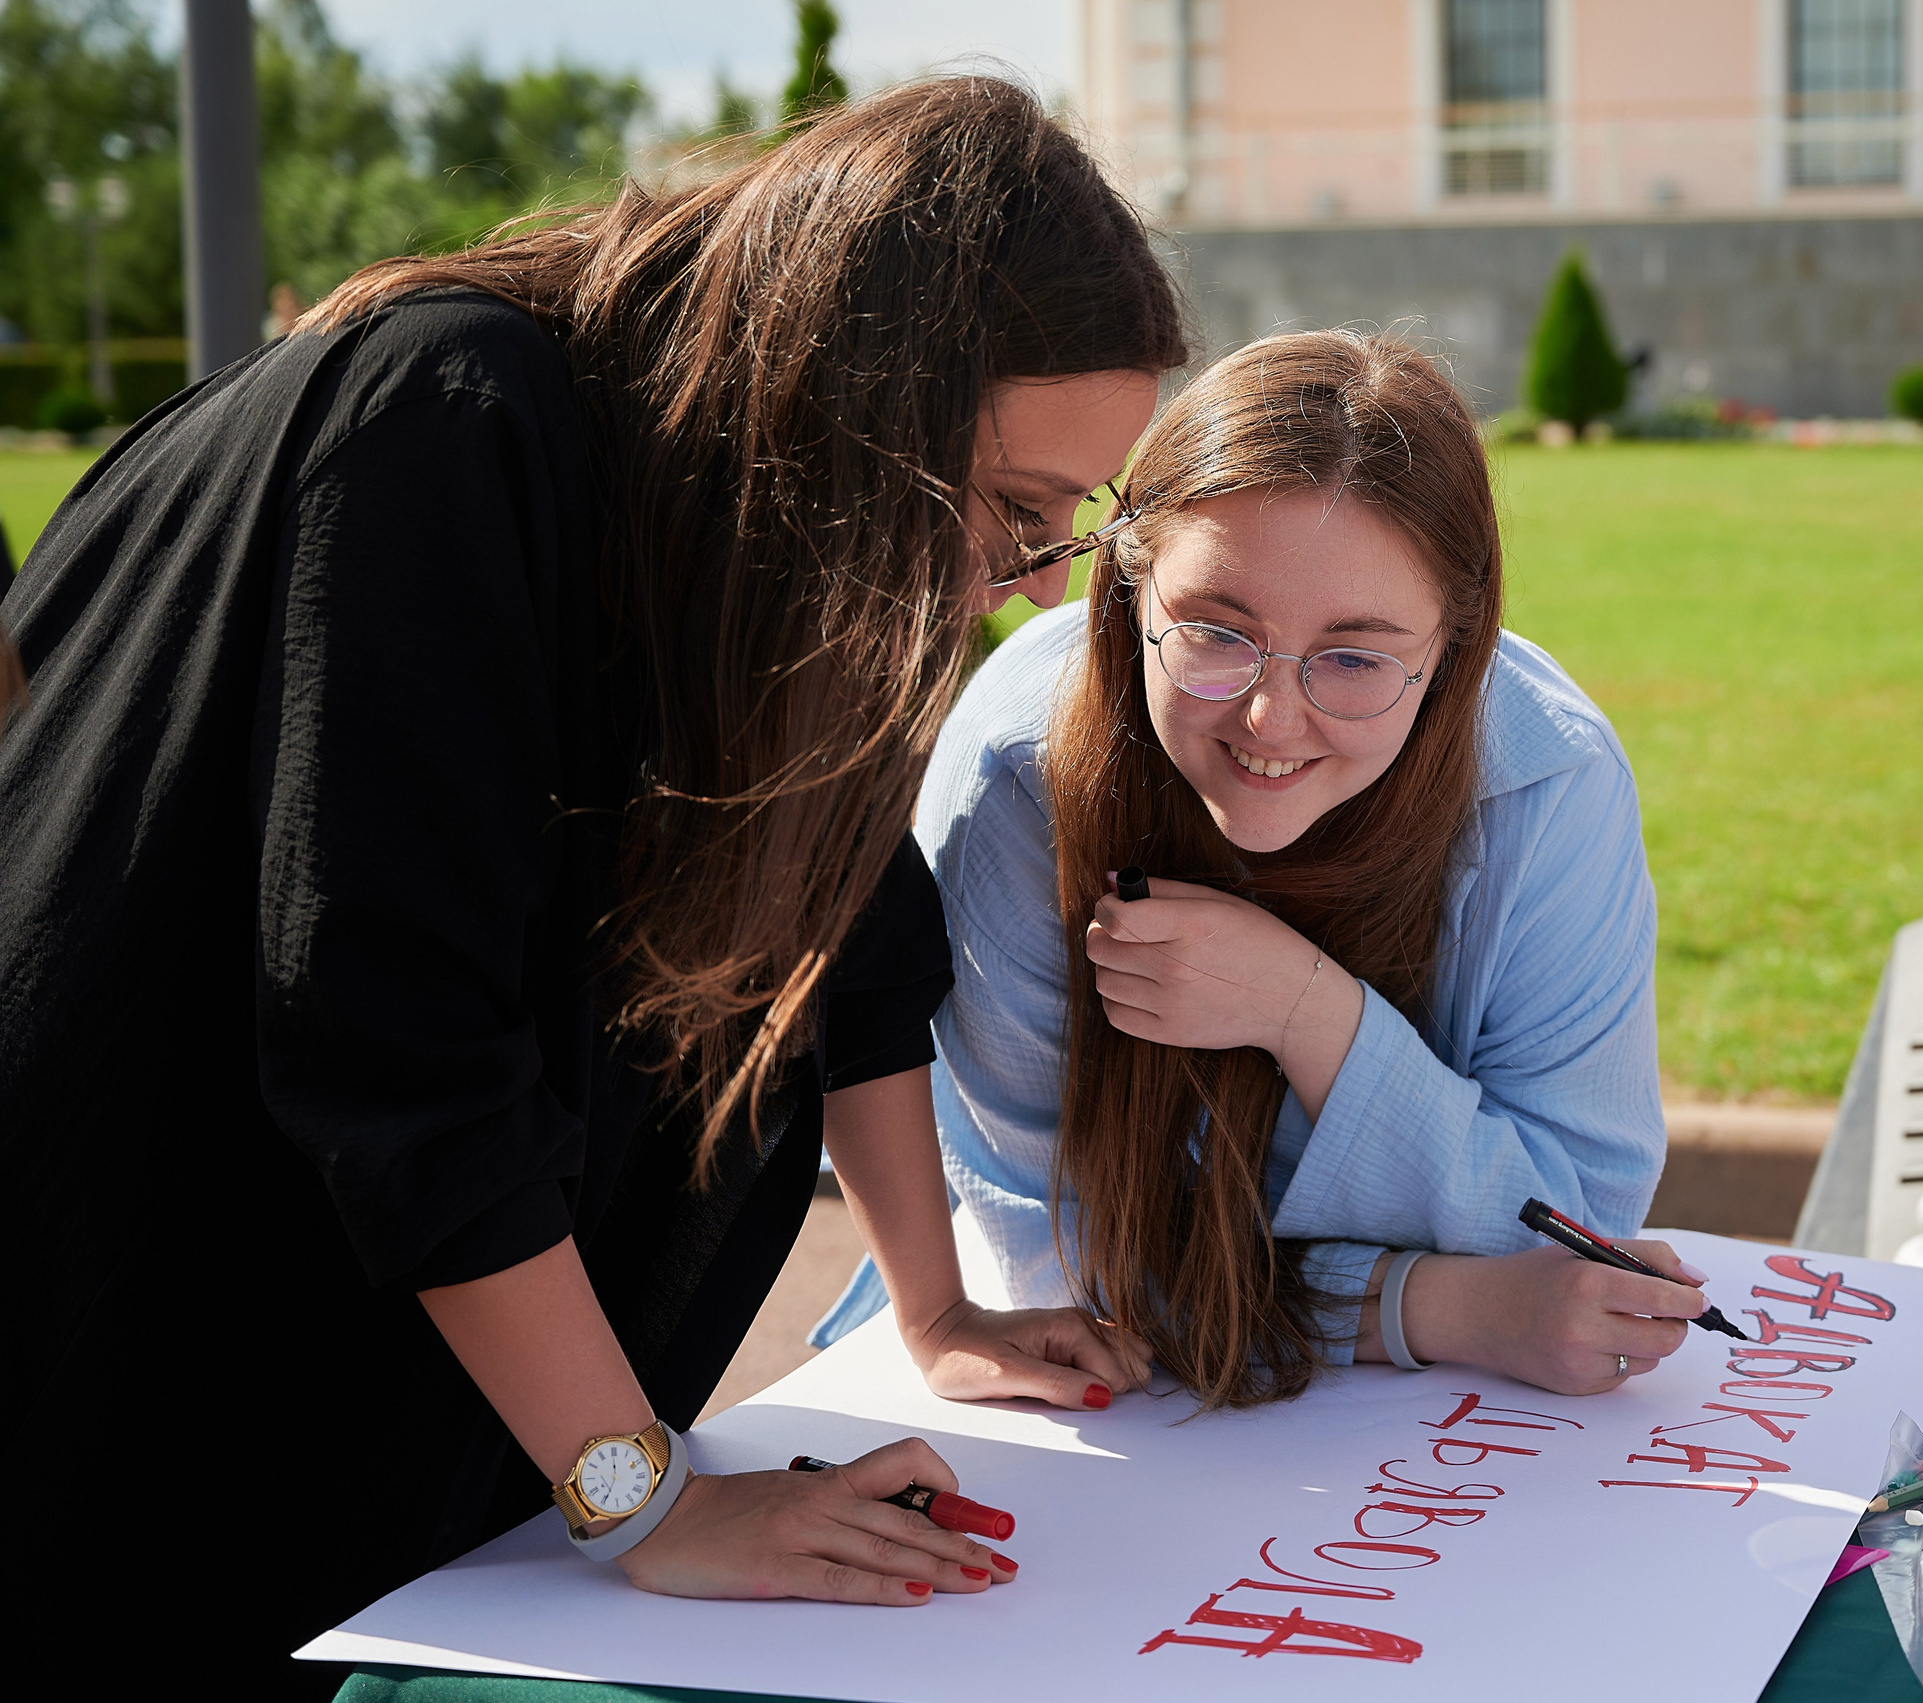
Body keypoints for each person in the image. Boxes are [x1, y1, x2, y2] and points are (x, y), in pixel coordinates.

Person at [0, 78, 1183, 1689]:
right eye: (1018, 511)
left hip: (365, 1333)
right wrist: (642, 1501)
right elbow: (394, 1042)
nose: (1039, 579)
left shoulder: (759, 517)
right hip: (134, 1301)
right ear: (863, 405)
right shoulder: (448, 411)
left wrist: (937, 1311)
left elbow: (858, 920)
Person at [837, 330, 1696, 1410]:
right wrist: (1434, 1307)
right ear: (1130, 589)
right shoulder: (1020, 773)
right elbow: (1058, 1274)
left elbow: (1578, 1219)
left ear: (1453, 645)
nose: (1268, 717)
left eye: (1353, 656)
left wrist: (1311, 1016)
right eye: (1213, 630)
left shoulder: (1543, 780)